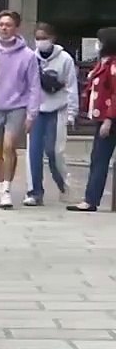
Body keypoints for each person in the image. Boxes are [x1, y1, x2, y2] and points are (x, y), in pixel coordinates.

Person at [0, 10, 42, 208]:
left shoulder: (28, 55)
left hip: (17, 106)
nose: (4, 28)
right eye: (1, 24)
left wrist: (32, 114)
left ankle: (6, 190)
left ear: (16, 28)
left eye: (8, 25)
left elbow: (34, 85)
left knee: (9, 146)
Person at [26, 23, 78, 206]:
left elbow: (72, 86)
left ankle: (63, 184)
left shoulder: (65, 59)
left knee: (54, 151)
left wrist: (72, 112)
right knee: (33, 153)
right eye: (38, 38)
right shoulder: (31, 58)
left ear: (53, 38)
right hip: (36, 111)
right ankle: (35, 192)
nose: (41, 41)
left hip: (58, 110)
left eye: (44, 38)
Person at [69, 27, 116, 212]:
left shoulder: (113, 66)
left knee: (100, 159)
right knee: (97, 159)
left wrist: (109, 119)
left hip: (110, 119)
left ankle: (91, 200)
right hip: (102, 117)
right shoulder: (102, 64)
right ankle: (91, 199)